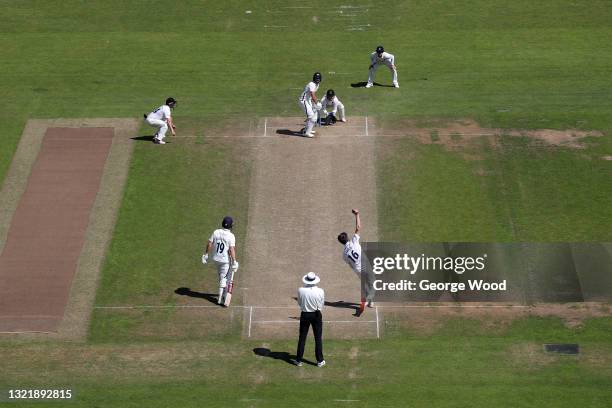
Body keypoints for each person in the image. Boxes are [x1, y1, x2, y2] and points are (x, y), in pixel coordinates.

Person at [337, 208, 373, 315]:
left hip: (358, 269)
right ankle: (366, 301)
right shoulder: (354, 241)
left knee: (367, 283)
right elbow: (358, 227)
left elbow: (350, 264)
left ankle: (370, 301)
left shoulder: (344, 254)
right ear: (347, 237)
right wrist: (357, 214)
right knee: (372, 283)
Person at [202, 216, 239, 306]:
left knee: (222, 277)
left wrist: (206, 254)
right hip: (225, 261)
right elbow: (231, 249)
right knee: (225, 278)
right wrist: (234, 261)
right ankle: (220, 298)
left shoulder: (216, 232)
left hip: (216, 259)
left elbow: (210, 243)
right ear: (231, 226)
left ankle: (223, 294)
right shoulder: (231, 236)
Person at [293, 272, 326, 367]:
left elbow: (299, 303)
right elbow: (321, 305)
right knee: (318, 338)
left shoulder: (300, 290)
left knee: (302, 338)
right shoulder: (320, 291)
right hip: (316, 315)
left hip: (305, 315)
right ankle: (320, 361)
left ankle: (298, 360)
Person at [298, 72, 322, 138]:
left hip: (308, 101)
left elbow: (311, 95)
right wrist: (317, 103)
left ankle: (307, 129)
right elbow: (312, 94)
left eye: (319, 79)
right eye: (316, 78)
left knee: (314, 116)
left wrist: (314, 103)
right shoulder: (312, 84)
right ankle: (306, 133)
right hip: (303, 101)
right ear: (314, 78)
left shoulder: (317, 85)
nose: (318, 80)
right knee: (311, 116)